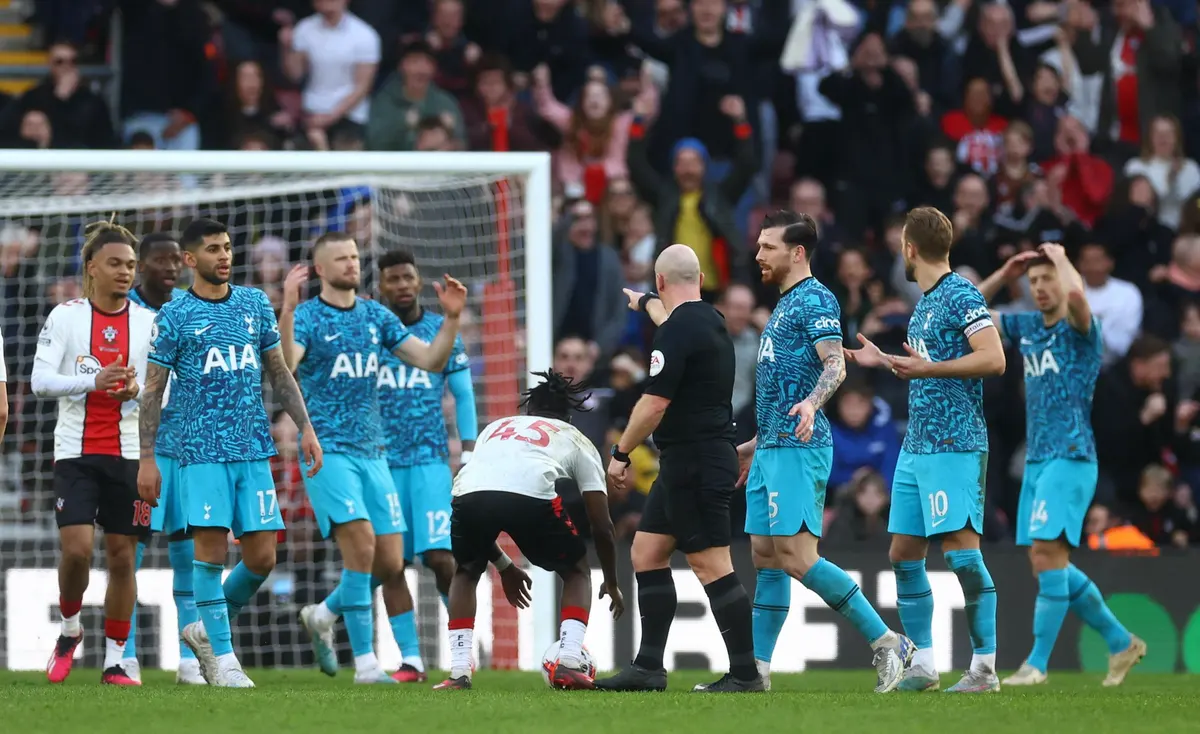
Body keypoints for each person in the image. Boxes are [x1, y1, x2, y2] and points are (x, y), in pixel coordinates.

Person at [137, 218, 323, 688]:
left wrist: (306, 428)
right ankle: (224, 660)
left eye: (227, 247)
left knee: (262, 558)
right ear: (189, 260)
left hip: (252, 449)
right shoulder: (175, 315)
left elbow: (279, 373)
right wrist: (146, 458)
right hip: (198, 452)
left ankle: (204, 628)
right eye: (214, 249)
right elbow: (152, 391)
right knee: (210, 552)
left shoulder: (254, 303)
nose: (224, 256)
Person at [735, 211, 914, 693]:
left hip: (801, 444)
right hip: (773, 446)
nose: (758, 255)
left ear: (796, 252)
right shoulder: (783, 303)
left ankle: (888, 642)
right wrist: (756, 443)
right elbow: (781, 384)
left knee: (796, 556)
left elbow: (835, 366)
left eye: (767, 247)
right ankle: (757, 672)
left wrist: (813, 404)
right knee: (766, 556)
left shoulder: (815, 298)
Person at [279, 233, 466, 684]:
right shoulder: (306, 316)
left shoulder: (375, 316)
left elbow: (430, 359)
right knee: (361, 544)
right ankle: (365, 663)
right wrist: (285, 309)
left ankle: (323, 616)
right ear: (321, 269)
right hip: (327, 449)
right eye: (342, 258)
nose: (351, 263)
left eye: (355, 256)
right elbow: (285, 365)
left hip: (374, 452)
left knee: (388, 561)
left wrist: (452, 319)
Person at [847, 207, 1006, 693]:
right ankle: (924, 665)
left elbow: (993, 359)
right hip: (917, 446)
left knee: (961, 556)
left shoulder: (960, 293)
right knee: (903, 552)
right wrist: (887, 361)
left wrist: (928, 369)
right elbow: (927, 365)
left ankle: (984, 669)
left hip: (955, 443)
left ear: (909, 248)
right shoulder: (925, 302)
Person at [597, 244, 763, 693]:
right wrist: (646, 302)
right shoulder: (709, 319)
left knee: (711, 564)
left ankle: (747, 675)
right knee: (646, 553)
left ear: (662, 281)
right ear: (702, 280)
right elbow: (667, 316)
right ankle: (648, 667)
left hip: (696, 462)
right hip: (688, 462)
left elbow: (654, 404)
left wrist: (621, 452)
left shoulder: (676, 331)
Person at [978, 245, 1146, 686]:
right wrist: (1003, 274)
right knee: (1044, 562)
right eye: (1033, 282)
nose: (1039, 288)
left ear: (1063, 280)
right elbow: (969, 312)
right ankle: (1120, 641)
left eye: (1046, 279)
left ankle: (1036, 665)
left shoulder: (1082, 331)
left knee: (1049, 556)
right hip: (1036, 461)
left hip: (1071, 456)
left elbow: (1078, 300)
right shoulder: (1029, 326)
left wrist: (1063, 259)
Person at [436, 370, 621, 691]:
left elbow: (485, 500)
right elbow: (601, 525)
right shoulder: (576, 438)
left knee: (466, 571)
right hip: (532, 497)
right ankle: (568, 661)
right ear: (568, 415)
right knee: (577, 571)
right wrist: (612, 580)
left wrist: (505, 566)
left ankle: (458, 673)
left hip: (465, 495)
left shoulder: (494, 429)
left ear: (528, 410)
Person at [32, 222, 156, 686]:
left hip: (128, 454)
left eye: (130, 265)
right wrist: (93, 381)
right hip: (75, 453)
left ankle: (117, 660)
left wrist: (139, 389)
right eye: (115, 264)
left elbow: (167, 389)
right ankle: (69, 630)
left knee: (123, 557)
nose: (125, 272)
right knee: (79, 552)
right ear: (91, 268)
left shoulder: (147, 323)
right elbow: (39, 381)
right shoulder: (66, 317)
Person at [376, 249, 479, 682]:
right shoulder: (371, 332)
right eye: (392, 278)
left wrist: (470, 455)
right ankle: (412, 660)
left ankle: (461, 653)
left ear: (419, 281)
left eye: (407, 276)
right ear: (379, 287)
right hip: (381, 463)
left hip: (430, 462)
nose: (401, 285)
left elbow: (464, 395)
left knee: (441, 557)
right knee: (391, 563)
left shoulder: (441, 330)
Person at [122, 232, 204, 684]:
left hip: (187, 449)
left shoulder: (189, 311)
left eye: (177, 259)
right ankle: (126, 654)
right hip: (139, 449)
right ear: (142, 266)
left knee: (188, 556)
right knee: (128, 555)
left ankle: (190, 661)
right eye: (161, 260)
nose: (171, 267)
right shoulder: (127, 314)